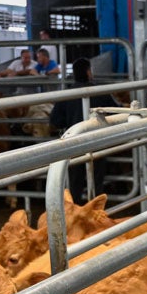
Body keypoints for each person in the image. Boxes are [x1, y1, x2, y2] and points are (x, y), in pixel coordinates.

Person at [49, 57, 107, 201]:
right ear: (88, 72)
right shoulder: (100, 93)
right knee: (97, 180)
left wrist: (69, 122)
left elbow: (55, 120)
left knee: (75, 181)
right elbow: (116, 112)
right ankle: (96, 211)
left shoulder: (67, 95)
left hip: (74, 143)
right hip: (97, 142)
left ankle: (76, 211)